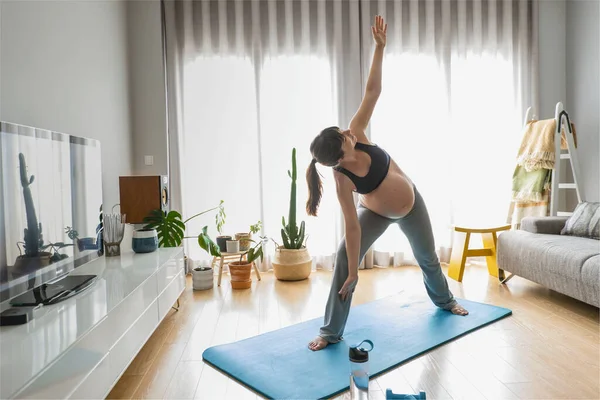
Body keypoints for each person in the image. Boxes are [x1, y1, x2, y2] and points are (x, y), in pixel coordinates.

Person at [305, 15, 469, 352]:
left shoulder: (359, 132)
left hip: (412, 206)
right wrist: (354, 270)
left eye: (344, 130)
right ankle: (331, 331)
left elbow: (373, 91)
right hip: (376, 214)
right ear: (339, 156)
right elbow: (352, 227)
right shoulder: (342, 179)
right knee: (342, 259)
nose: (349, 131)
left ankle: (446, 301)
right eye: (344, 137)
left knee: (427, 259)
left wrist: (380, 48)